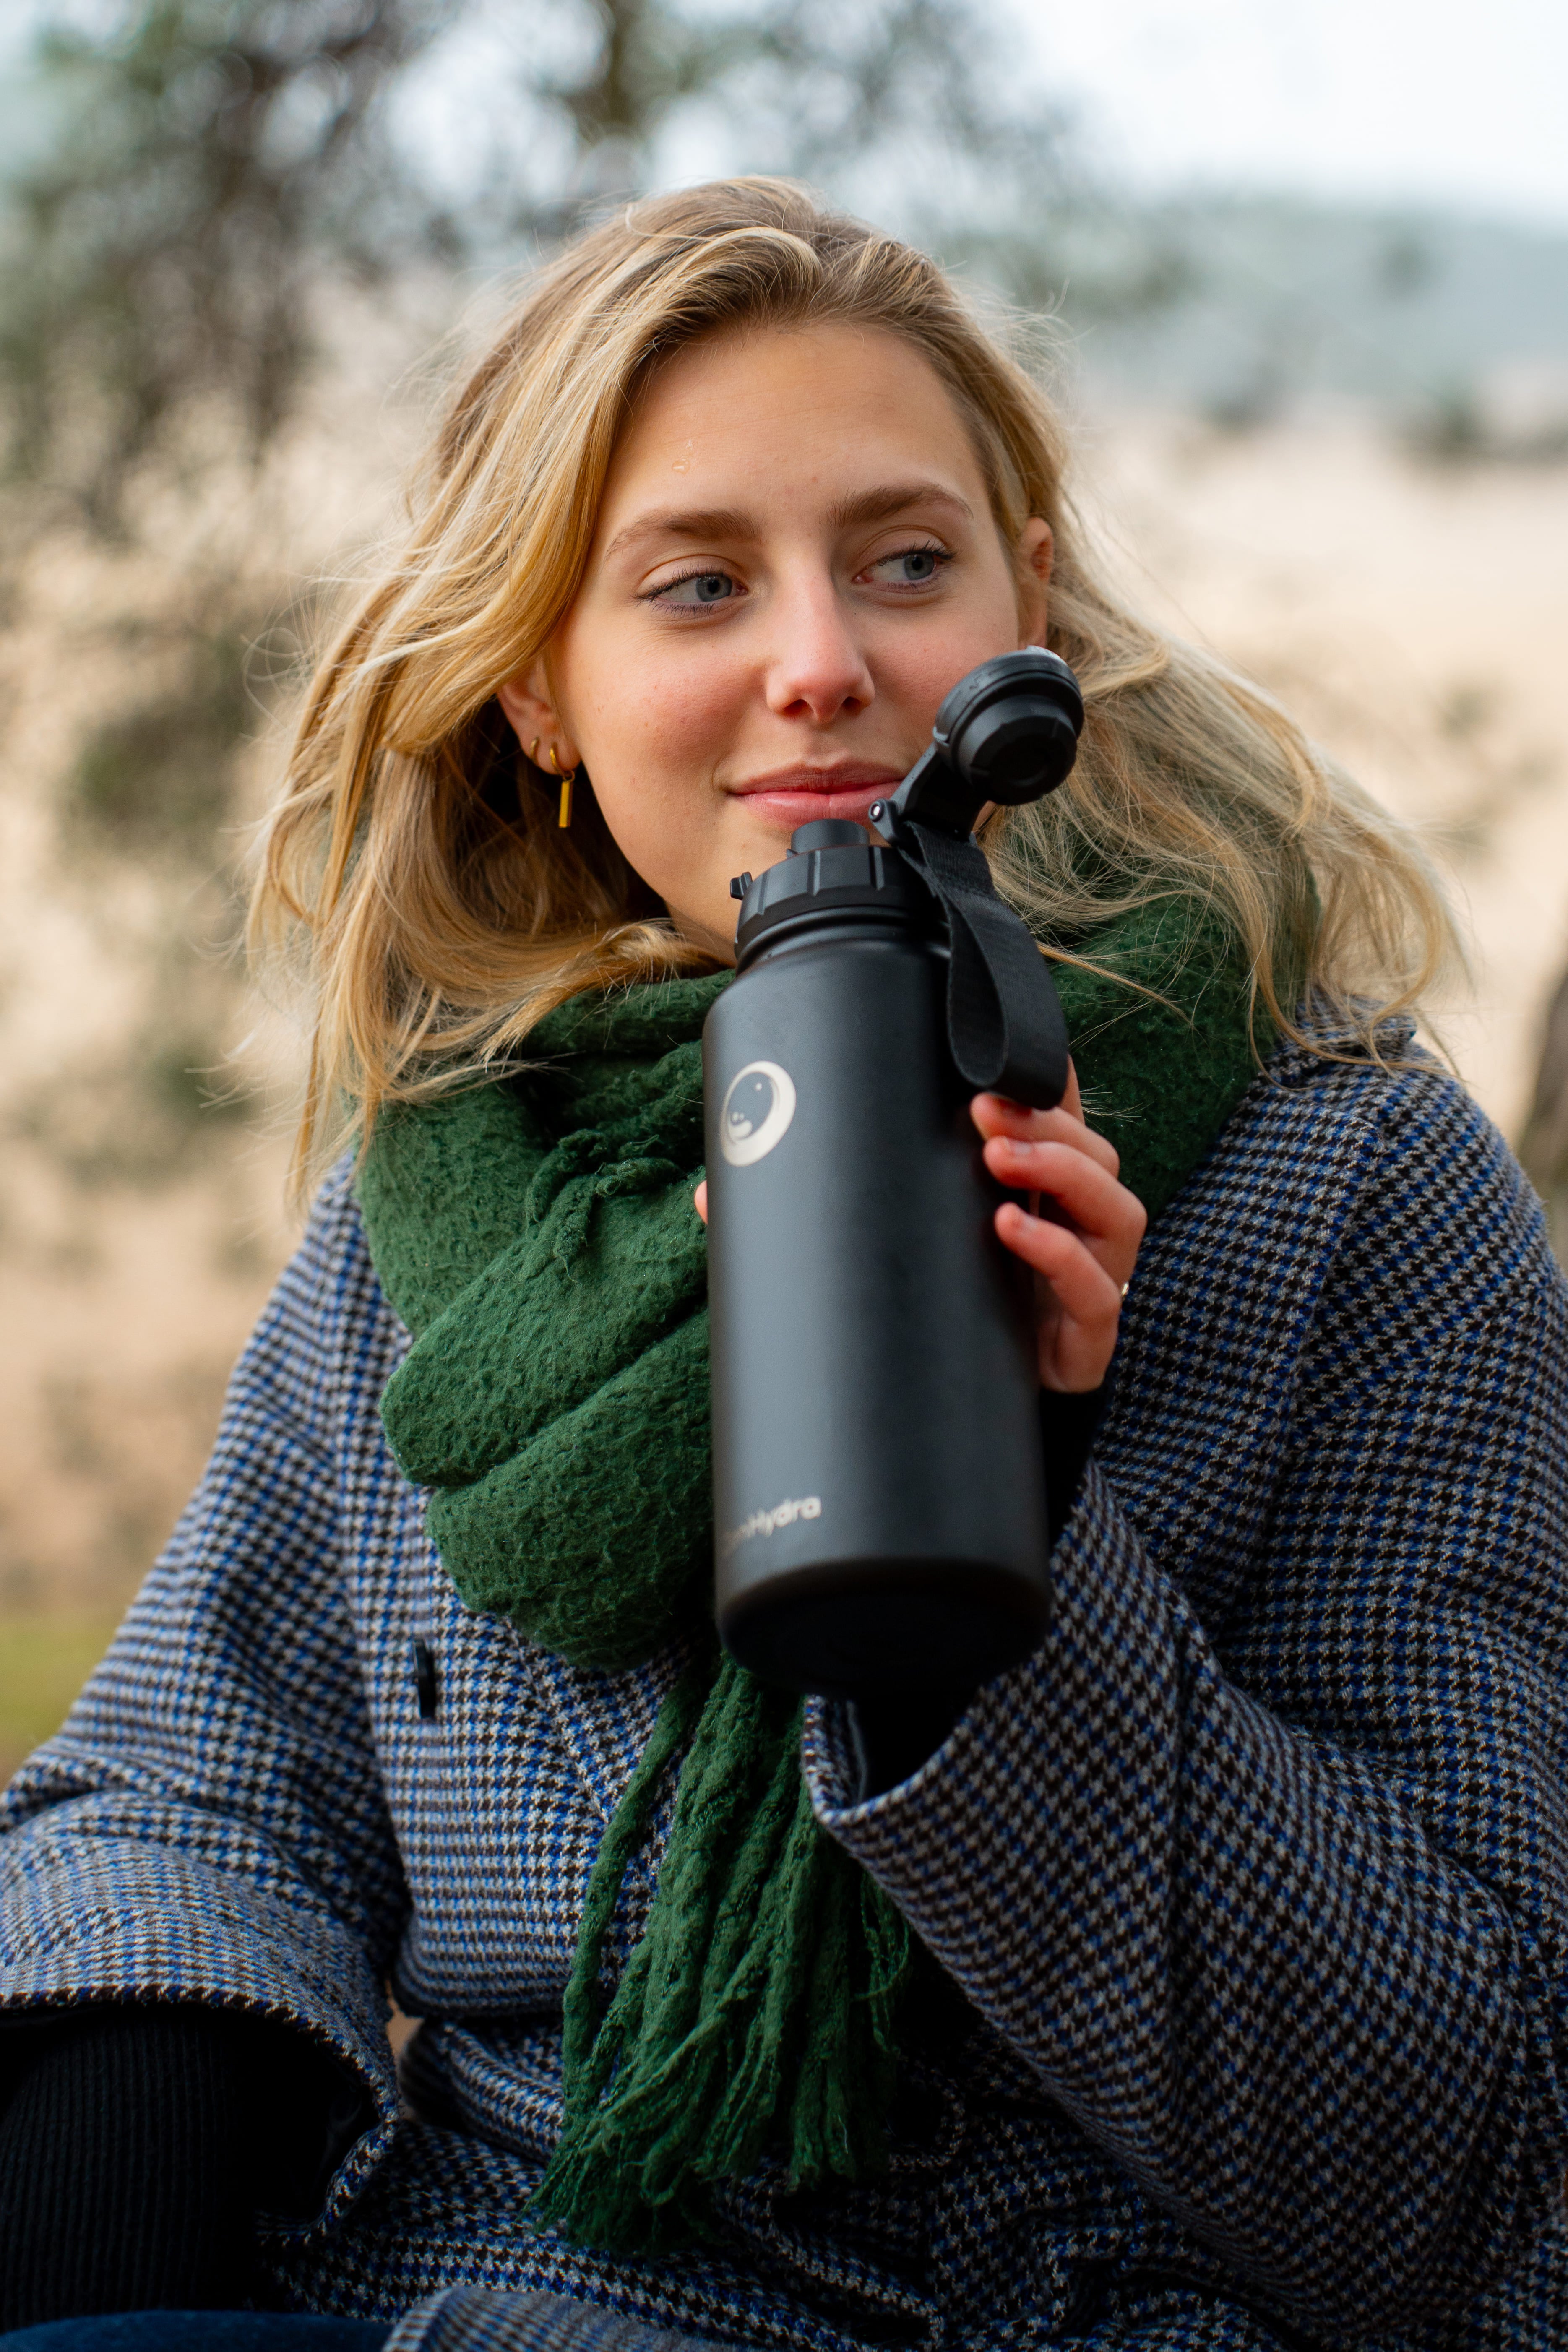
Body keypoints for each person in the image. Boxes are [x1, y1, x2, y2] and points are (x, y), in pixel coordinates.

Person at [1, 177, 1565, 2352]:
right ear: (542, 684)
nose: (820, 657)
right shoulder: (467, 1178)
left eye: (904, 560)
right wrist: (101, 2283)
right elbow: (194, 1797)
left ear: (1031, 607)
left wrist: (997, 1543)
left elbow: (1460, 2167)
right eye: (696, 581)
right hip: (508, 2283)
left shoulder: (1352, 1182)